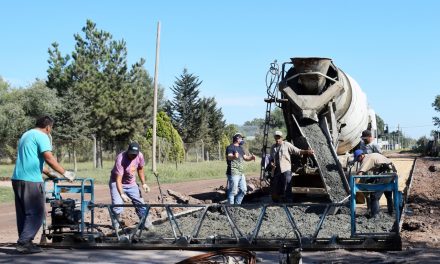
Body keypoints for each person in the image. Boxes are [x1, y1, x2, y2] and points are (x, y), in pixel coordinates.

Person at [11, 115, 75, 254]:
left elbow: (32, 159)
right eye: (51, 128)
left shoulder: (26, 135)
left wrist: (49, 173)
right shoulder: (42, 136)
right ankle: (24, 242)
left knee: (23, 212)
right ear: (48, 127)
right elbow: (49, 157)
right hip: (31, 180)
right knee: (37, 212)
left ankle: (25, 241)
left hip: (17, 178)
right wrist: (65, 173)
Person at [109, 142, 152, 230]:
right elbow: (118, 179)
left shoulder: (139, 156)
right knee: (117, 205)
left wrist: (144, 183)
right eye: (131, 154)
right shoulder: (121, 159)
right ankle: (116, 226)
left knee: (140, 203)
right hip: (117, 182)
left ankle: (146, 223)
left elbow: (140, 169)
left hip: (131, 183)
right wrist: (122, 194)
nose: (133, 156)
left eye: (135, 155)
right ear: (128, 151)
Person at [269, 131, 314, 203]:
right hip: (276, 170)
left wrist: (307, 151)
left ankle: (289, 200)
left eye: (279, 137)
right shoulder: (273, 147)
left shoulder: (286, 145)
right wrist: (271, 163)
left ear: (281, 138)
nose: (277, 139)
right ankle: (279, 200)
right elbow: (271, 158)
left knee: (287, 185)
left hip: (285, 169)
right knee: (277, 185)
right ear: (274, 138)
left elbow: (298, 151)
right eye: (276, 137)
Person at [354, 149, 397, 218]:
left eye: (358, 159)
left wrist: (354, 187)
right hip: (392, 173)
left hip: (386, 174)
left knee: (374, 196)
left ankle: (375, 216)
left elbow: (360, 174)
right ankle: (391, 212)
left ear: (361, 156)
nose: (358, 161)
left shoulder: (366, 159)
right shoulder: (370, 156)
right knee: (388, 194)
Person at [225, 133, 256, 204]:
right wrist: (234, 157)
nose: (242, 140)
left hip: (241, 173)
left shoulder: (241, 148)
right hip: (233, 173)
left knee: (243, 190)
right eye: (241, 138)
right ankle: (230, 207)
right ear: (237, 139)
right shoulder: (230, 147)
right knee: (233, 191)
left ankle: (237, 205)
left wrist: (251, 158)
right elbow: (229, 157)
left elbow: (245, 158)